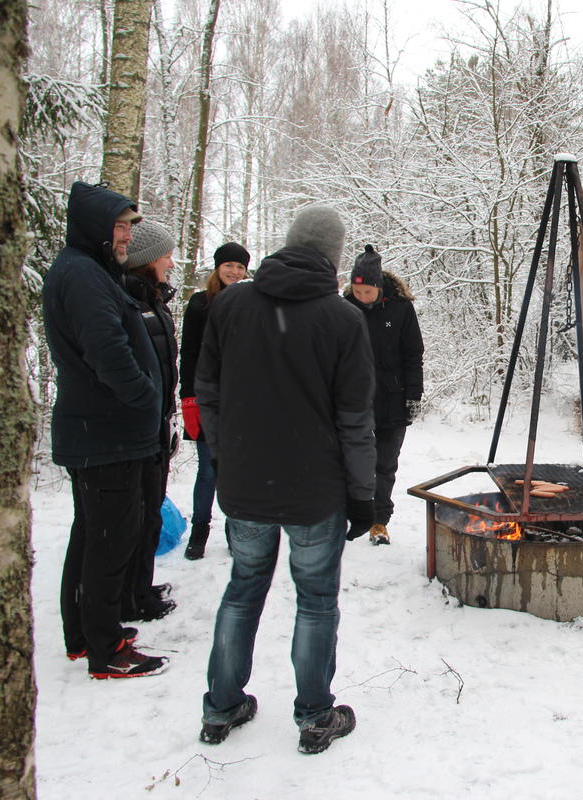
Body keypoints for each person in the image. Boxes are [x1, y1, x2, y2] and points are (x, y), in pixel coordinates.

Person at [195, 206, 376, 754]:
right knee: (316, 601)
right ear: (334, 257)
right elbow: (355, 419)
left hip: (246, 482)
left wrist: (227, 459)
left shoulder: (231, 304)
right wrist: (363, 494)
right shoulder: (342, 320)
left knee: (243, 591)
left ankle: (222, 706)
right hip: (312, 488)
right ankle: (315, 714)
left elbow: (210, 391)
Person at [42, 181, 170, 679]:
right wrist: (145, 398)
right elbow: (108, 353)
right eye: (119, 227)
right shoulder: (83, 276)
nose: (124, 238)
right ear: (96, 229)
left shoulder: (85, 271)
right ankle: (106, 648)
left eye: (127, 229)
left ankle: (83, 634)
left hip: (100, 431)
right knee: (110, 540)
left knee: (93, 535)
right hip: (108, 434)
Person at [344, 244, 424, 546]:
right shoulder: (344, 307)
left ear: (378, 287)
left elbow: (413, 353)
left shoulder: (401, 308)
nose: (362, 298)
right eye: (357, 291)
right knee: (351, 459)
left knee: (385, 463)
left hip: (392, 397)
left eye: (367, 292)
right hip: (354, 398)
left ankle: (379, 521)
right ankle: (351, 513)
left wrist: (413, 395)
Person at [121, 220, 180, 621]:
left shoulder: (153, 301)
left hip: (157, 424)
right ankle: (131, 596)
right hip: (138, 429)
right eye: (166, 255)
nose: (172, 262)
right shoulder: (130, 302)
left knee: (150, 513)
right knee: (135, 518)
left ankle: (141, 587)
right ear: (147, 261)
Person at [178, 242, 251, 560]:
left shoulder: (252, 303)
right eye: (229, 266)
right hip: (207, 399)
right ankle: (199, 530)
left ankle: (235, 532)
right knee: (208, 471)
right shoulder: (199, 304)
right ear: (217, 267)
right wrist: (188, 397)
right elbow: (189, 352)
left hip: (242, 401)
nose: (234, 272)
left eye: (240, 267)